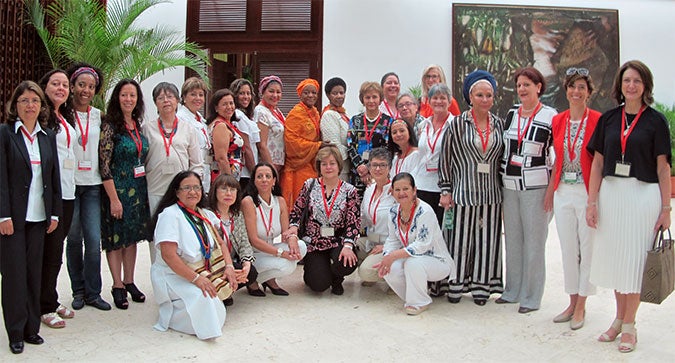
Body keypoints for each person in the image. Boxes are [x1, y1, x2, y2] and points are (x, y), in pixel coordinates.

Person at [586, 60, 671, 353]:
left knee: (633, 264)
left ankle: (630, 326)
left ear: (645, 85)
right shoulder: (609, 119)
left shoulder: (656, 121)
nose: (631, 86)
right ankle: (619, 318)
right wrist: (592, 201)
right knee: (616, 261)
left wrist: (666, 209)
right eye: (626, 81)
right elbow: (597, 162)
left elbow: (663, 168)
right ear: (619, 86)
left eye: (636, 81)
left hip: (641, 197)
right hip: (611, 196)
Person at [0, 81, 61, 354]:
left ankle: (31, 329)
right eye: (24, 100)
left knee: (34, 274)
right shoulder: (5, 134)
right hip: (12, 219)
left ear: (41, 105)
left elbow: (53, 178)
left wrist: (55, 212)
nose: (29, 106)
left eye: (34, 101)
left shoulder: (47, 136)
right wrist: (3, 215)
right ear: (15, 105)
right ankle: (15, 331)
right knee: (14, 275)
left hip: (39, 218)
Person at [438, 70, 505, 305]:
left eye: (489, 95)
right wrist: (445, 190)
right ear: (470, 96)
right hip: (462, 194)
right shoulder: (457, 124)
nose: (485, 99)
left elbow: (501, 161)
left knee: (486, 241)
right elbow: (445, 159)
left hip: (491, 195)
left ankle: (481, 286)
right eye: (479, 95)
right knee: (459, 241)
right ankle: (455, 285)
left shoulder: (499, 124)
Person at [544, 68, 601, 330]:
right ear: (566, 90)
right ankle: (571, 300)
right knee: (568, 249)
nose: (576, 92)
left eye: (581, 88)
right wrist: (549, 191)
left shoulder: (599, 120)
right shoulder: (559, 120)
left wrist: (596, 198)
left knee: (586, 249)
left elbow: (600, 161)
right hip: (563, 191)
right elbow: (556, 158)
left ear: (589, 93)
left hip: (586, 192)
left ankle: (582, 305)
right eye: (571, 87)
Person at [497, 67, 557, 314]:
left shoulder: (551, 116)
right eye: (519, 85)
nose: (522, 89)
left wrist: (551, 190)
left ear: (538, 87)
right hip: (509, 187)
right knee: (513, 240)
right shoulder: (512, 114)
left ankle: (532, 296)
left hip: (536, 187)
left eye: (527, 85)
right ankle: (512, 291)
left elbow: (558, 156)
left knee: (534, 243)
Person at [150, 171, 238, 340]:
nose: (193, 192)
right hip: (173, 275)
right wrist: (197, 279)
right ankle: (171, 316)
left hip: (200, 270)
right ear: (176, 192)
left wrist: (229, 267)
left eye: (196, 187)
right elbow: (169, 257)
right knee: (205, 298)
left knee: (214, 304)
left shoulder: (204, 213)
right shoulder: (169, 215)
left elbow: (220, 243)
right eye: (187, 188)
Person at [99, 79, 151, 309]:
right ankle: (117, 285)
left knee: (131, 239)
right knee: (116, 239)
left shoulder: (137, 124)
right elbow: (104, 165)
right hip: (117, 190)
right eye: (124, 95)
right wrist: (113, 199)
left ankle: (130, 281)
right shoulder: (110, 125)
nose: (128, 100)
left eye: (132, 95)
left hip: (138, 190)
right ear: (116, 98)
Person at [65, 63, 111, 311]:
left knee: (93, 241)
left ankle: (94, 292)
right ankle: (78, 291)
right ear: (72, 86)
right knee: (73, 240)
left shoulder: (98, 116)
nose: (85, 90)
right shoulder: (62, 114)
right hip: (70, 185)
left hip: (92, 185)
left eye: (91, 86)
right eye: (81, 85)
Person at [375, 173, 454, 315]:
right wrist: (387, 256)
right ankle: (413, 297)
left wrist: (393, 255)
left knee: (412, 263)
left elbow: (422, 245)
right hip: (410, 257)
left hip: (437, 261)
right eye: (397, 190)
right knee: (389, 267)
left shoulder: (425, 211)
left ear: (414, 190)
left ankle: (420, 302)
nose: (401, 193)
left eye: (405, 189)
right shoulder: (393, 212)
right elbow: (392, 240)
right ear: (392, 192)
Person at [289, 145, 360, 295]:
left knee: (346, 263)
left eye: (332, 163)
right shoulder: (309, 185)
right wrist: (293, 230)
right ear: (319, 166)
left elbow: (354, 222)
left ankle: (337, 278)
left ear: (339, 165)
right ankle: (315, 270)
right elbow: (297, 211)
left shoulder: (350, 190)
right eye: (324, 164)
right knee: (318, 285)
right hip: (314, 242)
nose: (328, 167)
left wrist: (348, 245)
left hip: (338, 240)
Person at [38, 69, 77, 328]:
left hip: (68, 190)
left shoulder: (63, 116)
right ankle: (44, 306)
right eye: (55, 84)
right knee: (49, 251)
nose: (61, 88)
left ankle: (49, 297)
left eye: (64, 84)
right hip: (51, 193)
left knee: (56, 250)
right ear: (45, 86)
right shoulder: (41, 117)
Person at [241, 162, 307, 296]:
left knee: (301, 246)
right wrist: (281, 253)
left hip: (270, 249)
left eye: (267, 176)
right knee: (287, 265)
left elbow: (286, 231)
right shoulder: (248, 202)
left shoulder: (280, 201)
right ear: (254, 181)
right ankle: (253, 281)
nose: (264, 179)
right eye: (259, 176)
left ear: (274, 181)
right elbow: (253, 240)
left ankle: (268, 280)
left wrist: (292, 238)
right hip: (254, 254)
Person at [143, 82, 204, 215]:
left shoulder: (188, 128)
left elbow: (196, 162)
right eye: (160, 98)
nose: (166, 101)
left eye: (170, 96)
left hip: (182, 189)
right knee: (157, 224)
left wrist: (193, 186)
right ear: (155, 103)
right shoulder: (147, 128)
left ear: (177, 100)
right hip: (155, 186)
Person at [208, 173, 258, 306]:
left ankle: (227, 291)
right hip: (214, 263)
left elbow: (244, 242)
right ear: (215, 191)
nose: (228, 193)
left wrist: (246, 264)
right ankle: (219, 293)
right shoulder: (208, 214)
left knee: (251, 273)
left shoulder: (237, 215)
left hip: (231, 262)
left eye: (232, 189)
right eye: (224, 189)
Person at [281, 78, 324, 207]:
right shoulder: (296, 113)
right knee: (299, 203)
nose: (310, 95)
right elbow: (291, 143)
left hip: (312, 164)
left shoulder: (315, 112)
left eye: (314, 92)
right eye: (306, 92)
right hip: (298, 167)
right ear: (300, 94)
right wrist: (318, 145)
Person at [415, 83, 454, 225]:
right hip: (422, 185)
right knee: (423, 228)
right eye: (435, 98)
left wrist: (449, 190)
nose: (438, 101)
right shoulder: (423, 125)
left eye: (443, 98)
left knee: (441, 230)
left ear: (449, 101)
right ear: (429, 101)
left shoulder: (455, 125)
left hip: (442, 188)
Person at [356, 148, 395, 284]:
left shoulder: (396, 191)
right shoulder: (369, 189)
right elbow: (363, 219)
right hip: (371, 241)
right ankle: (376, 265)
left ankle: (395, 277)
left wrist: (386, 246)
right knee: (345, 249)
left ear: (390, 167)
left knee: (366, 272)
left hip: (390, 245)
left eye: (382, 165)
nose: (378, 169)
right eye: (374, 165)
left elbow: (406, 227)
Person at [347, 81, 392, 194]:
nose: (371, 101)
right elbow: (349, 144)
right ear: (362, 100)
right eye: (367, 97)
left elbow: (387, 147)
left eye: (374, 97)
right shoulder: (355, 120)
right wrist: (360, 167)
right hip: (357, 172)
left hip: (378, 172)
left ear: (380, 99)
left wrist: (369, 167)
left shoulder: (388, 121)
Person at [177, 77, 211, 191]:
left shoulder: (200, 119)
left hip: (204, 170)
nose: (198, 98)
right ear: (184, 97)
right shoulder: (181, 119)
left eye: (201, 95)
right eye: (193, 94)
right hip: (189, 172)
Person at [230, 78, 260, 191]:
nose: (246, 97)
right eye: (241, 93)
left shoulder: (247, 116)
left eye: (248, 93)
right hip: (245, 173)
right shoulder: (238, 116)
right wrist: (255, 174)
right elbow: (246, 147)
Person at [206, 89, 244, 180]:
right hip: (224, 177)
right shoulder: (220, 126)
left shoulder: (227, 123)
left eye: (231, 103)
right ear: (216, 108)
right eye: (224, 104)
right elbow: (221, 158)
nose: (229, 107)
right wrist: (229, 182)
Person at [320, 77, 351, 182]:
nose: (339, 96)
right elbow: (334, 145)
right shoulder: (329, 115)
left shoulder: (343, 114)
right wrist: (354, 154)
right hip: (338, 168)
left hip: (347, 168)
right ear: (328, 95)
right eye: (335, 93)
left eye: (342, 93)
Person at [254, 75, 285, 173]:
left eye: (278, 92)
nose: (275, 95)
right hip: (268, 166)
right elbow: (262, 145)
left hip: (280, 165)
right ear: (262, 92)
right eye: (271, 91)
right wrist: (271, 170)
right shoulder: (261, 111)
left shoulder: (276, 111)